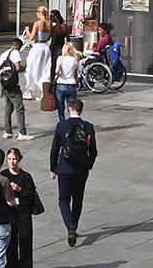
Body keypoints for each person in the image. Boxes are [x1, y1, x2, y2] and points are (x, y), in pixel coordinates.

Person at [48, 97, 97, 249]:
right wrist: (88, 165)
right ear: (81, 110)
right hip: (81, 169)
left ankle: (71, 225)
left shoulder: (62, 126)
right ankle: (73, 224)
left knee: (63, 200)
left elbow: (55, 148)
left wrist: (53, 167)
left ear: (70, 109)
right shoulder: (88, 127)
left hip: (64, 168)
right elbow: (93, 151)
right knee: (78, 199)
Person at [1, 147, 44, 268]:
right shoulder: (3, 175)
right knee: (11, 244)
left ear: (19, 159)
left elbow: (30, 196)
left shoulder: (26, 176)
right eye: (9, 159)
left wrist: (19, 189)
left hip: (23, 214)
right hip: (9, 214)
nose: (12, 162)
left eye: (14, 159)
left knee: (25, 243)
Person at [0, 38, 30, 140]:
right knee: (19, 108)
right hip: (12, 85)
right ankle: (22, 133)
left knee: (8, 108)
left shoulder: (3, 55)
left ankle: (8, 131)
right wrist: (23, 68)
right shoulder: (15, 52)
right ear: (17, 46)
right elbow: (17, 68)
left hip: (4, 84)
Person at [24, 7, 53, 101]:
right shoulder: (50, 24)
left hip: (37, 47)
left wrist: (27, 30)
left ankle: (29, 91)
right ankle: (44, 92)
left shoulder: (37, 23)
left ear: (39, 13)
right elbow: (48, 38)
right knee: (45, 69)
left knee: (31, 68)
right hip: (45, 47)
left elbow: (32, 37)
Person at [52, 42, 81, 121]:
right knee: (71, 106)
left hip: (61, 84)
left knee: (60, 106)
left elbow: (57, 71)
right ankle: (71, 121)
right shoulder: (74, 59)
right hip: (71, 85)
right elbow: (76, 74)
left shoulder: (60, 58)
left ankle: (62, 122)